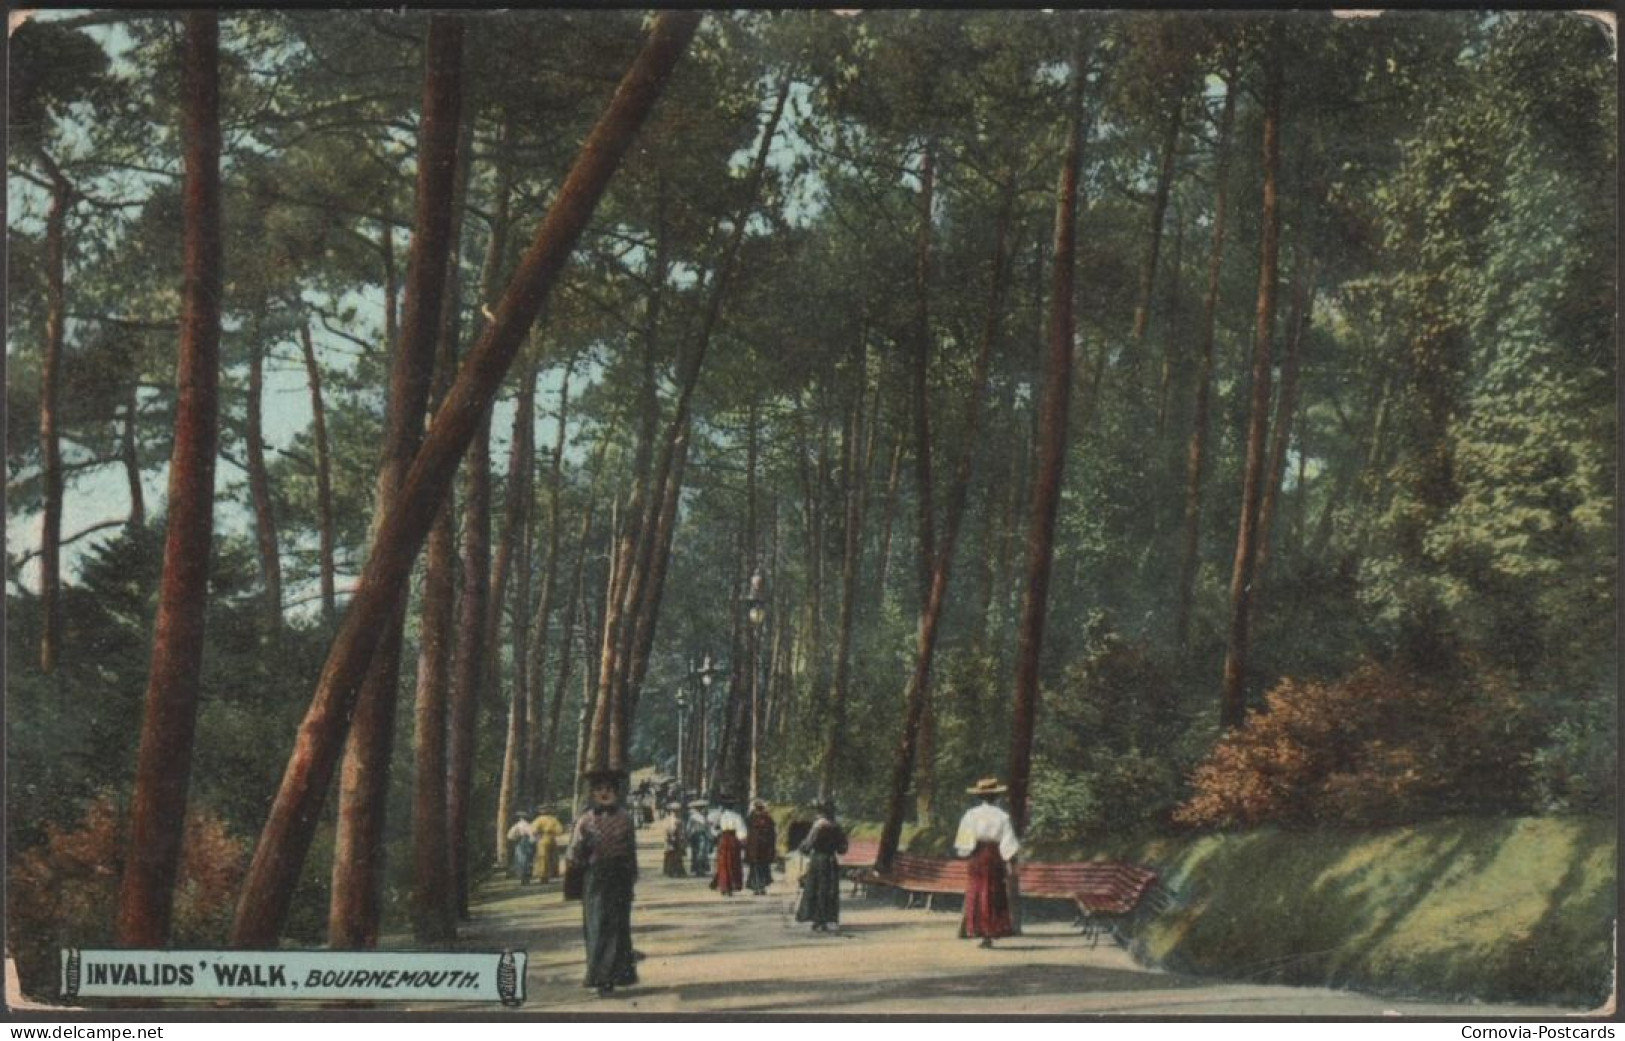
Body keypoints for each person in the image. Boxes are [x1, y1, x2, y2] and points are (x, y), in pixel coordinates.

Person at [566, 769, 639, 997]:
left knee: (618, 926)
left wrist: (631, 877)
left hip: (620, 876)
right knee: (597, 925)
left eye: (609, 789)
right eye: (599, 790)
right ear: (593, 793)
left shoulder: (626, 818)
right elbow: (574, 851)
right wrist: (578, 865)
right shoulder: (585, 820)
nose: (604, 793)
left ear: (616, 792)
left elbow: (631, 850)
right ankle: (599, 976)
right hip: (595, 877)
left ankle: (617, 974)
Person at [953, 777, 1020, 948]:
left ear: (979, 797)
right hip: (994, 856)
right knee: (993, 892)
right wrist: (1010, 860)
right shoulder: (1002, 816)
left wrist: (966, 852)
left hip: (977, 856)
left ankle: (978, 929)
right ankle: (991, 931)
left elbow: (964, 840)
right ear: (996, 796)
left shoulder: (971, 815)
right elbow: (1008, 842)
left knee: (977, 890)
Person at [795, 801, 847, 933]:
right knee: (830, 890)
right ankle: (830, 919)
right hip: (831, 861)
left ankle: (818, 920)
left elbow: (807, 846)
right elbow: (843, 849)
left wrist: (802, 847)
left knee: (817, 888)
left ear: (821, 813)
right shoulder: (837, 827)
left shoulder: (817, 827)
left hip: (818, 860)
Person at [710, 794, 746, 896]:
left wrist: (717, 836)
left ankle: (724, 886)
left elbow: (713, 829)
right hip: (733, 840)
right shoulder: (737, 816)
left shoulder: (720, 816)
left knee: (723, 864)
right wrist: (742, 841)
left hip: (723, 840)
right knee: (733, 863)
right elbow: (741, 831)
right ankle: (732, 885)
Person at [744, 799, 777, 896]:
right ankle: (761, 887)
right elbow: (772, 834)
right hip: (763, 847)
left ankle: (757, 887)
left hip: (755, 846)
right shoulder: (767, 818)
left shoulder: (751, 818)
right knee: (762, 867)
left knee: (755, 867)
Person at [530, 806, 567, 884]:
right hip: (552, 839)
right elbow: (560, 830)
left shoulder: (539, 819)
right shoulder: (553, 819)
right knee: (553, 857)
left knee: (543, 858)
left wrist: (538, 836)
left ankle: (543, 877)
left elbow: (533, 830)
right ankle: (553, 873)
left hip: (542, 839)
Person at [507, 812, 537, 885]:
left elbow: (510, 835)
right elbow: (532, 835)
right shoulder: (527, 825)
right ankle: (526, 879)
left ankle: (523, 878)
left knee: (521, 860)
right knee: (527, 860)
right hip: (526, 841)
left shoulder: (517, 825)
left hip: (520, 842)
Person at [685, 800, 712, 876]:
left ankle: (701, 869)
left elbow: (707, 827)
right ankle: (698, 869)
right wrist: (688, 835)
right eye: (700, 808)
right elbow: (689, 827)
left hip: (702, 835)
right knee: (698, 852)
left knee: (702, 852)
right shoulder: (694, 817)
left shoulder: (704, 816)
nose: (702, 809)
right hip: (697, 835)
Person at [661, 801, 687, 878]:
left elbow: (682, 830)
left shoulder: (680, 819)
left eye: (677, 810)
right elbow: (667, 829)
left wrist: (683, 838)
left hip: (678, 839)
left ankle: (678, 871)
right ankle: (671, 871)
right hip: (671, 838)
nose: (676, 812)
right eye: (674, 810)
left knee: (678, 855)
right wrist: (669, 836)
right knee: (671, 855)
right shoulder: (669, 819)